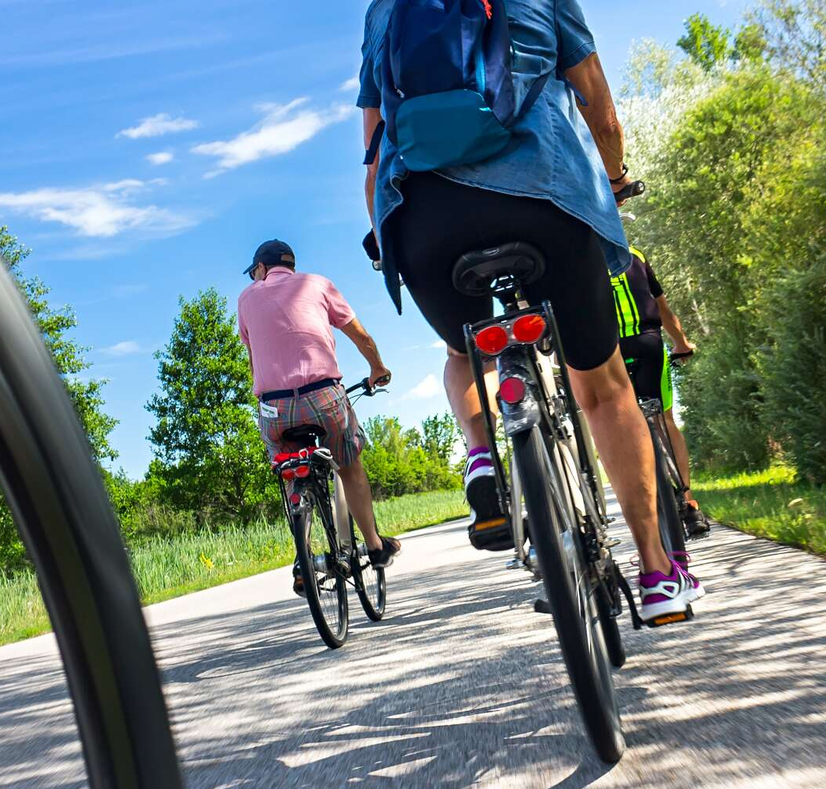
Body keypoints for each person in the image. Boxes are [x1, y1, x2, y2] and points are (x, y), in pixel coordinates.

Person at [356, 0, 704, 623]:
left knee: (467, 351)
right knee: (601, 386)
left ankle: (483, 455)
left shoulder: (385, 10)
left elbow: (375, 147)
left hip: (423, 217)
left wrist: (386, 234)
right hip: (544, 195)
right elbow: (596, 98)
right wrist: (614, 179)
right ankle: (656, 572)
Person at [237, 239, 401, 592]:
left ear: (262, 268)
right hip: (323, 396)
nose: (254, 278)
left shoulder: (247, 298)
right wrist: (377, 367)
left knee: (289, 470)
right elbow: (361, 336)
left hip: (273, 407)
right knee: (349, 465)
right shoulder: (318, 284)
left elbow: (253, 356)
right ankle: (374, 546)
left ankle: (303, 556)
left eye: (254, 272)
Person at [612, 244, 710, 537]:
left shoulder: (580, 257)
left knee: (618, 426)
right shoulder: (635, 255)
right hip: (648, 342)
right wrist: (682, 344)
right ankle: (689, 503)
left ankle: (642, 510)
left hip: (609, 351)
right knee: (664, 420)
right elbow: (663, 309)